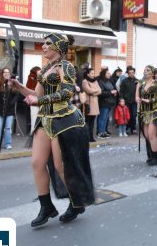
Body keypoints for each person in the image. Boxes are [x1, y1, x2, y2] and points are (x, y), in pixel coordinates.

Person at [10, 33, 94, 227]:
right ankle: (46, 207)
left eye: (48, 43)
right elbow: (34, 94)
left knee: (59, 166)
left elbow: (67, 92)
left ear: (58, 47)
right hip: (45, 119)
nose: (44, 46)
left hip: (64, 119)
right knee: (37, 162)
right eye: (44, 43)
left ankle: (76, 202)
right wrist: (19, 86)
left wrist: (40, 101)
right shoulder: (46, 69)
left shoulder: (67, 66)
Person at [0, 68, 19, 150]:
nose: (6, 74)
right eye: (4, 72)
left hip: (9, 110)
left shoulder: (13, 83)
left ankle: (8, 144)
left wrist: (11, 103)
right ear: (1, 74)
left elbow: (16, 96)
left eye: (8, 72)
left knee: (8, 128)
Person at [81, 68, 101, 142]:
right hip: (89, 104)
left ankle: (91, 137)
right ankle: (86, 137)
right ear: (88, 74)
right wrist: (96, 91)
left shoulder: (95, 81)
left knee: (92, 122)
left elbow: (100, 90)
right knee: (87, 122)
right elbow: (88, 90)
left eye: (94, 73)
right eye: (92, 73)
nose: (93, 75)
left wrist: (94, 93)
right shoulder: (85, 81)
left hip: (95, 104)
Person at [96, 68, 118, 138]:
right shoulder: (100, 82)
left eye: (109, 73)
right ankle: (100, 132)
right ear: (104, 74)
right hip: (103, 102)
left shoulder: (109, 81)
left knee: (106, 118)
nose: (110, 74)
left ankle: (104, 131)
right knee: (102, 118)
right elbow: (101, 92)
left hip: (109, 102)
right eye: (108, 73)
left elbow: (111, 89)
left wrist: (114, 92)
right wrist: (111, 92)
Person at [119, 66, 138, 135]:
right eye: (130, 73)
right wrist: (121, 99)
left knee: (133, 114)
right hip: (126, 101)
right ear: (127, 73)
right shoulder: (124, 81)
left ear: (134, 73)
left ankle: (133, 128)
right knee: (127, 115)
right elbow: (121, 91)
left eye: (132, 73)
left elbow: (139, 91)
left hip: (134, 101)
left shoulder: (137, 81)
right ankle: (127, 128)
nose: (131, 74)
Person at [26, 66, 41, 134]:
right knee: (34, 116)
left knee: (38, 116)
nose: (40, 72)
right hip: (34, 99)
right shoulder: (31, 77)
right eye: (39, 71)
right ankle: (33, 132)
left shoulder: (41, 77)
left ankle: (36, 132)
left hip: (40, 99)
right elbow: (29, 88)